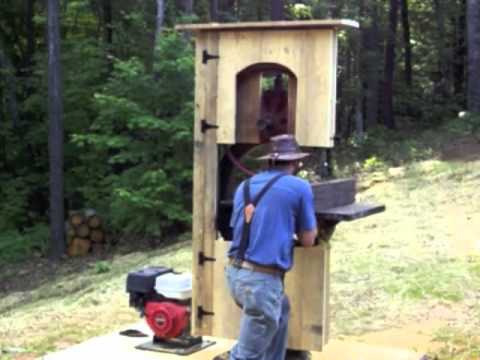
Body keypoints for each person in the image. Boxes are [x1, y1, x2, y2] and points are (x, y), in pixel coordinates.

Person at [215, 134, 318, 360]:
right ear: (296, 162)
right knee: (245, 355)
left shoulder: (245, 186)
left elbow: (238, 228)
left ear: (270, 161)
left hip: (235, 274)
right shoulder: (300, 186)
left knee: (281, 311)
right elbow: (308, 239)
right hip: (260, 283)